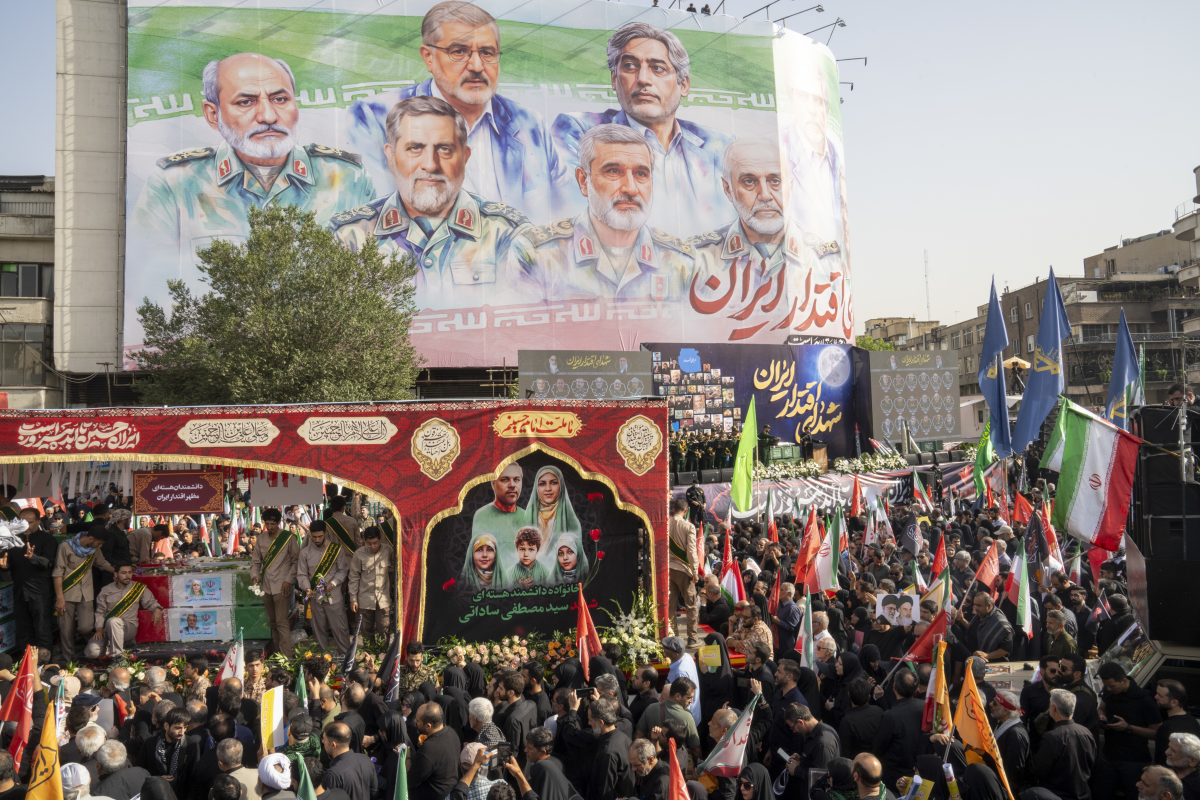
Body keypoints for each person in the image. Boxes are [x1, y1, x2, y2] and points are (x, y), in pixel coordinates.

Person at [127, 53, 376, 346]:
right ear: (212, 114)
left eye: (280, 99)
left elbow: (376, 281)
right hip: (216, 356)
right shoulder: (175, 183)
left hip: (322, 352)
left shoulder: (347, 178)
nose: (268, 116)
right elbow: (147, 287)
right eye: (246, 102)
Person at [345, 1, 565, 221]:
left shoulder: (530, 124)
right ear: (428, 57)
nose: (477, 66)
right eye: (459, 51)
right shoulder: (373, 119)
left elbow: (563, 210)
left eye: (487, 52)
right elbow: (370, 217)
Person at [332, 95, 532, 311]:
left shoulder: (507, 233)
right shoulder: (347, 237)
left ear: (465, 157)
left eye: (445, 149)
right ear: (391, 156)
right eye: (415, 148)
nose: (430, 164)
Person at [551, 22, 733, 235]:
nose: (643, 79)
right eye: (630, 66)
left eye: (657, 68)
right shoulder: (580, 131)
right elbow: (573, 210)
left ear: (683, 85)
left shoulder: (720, 146)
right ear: (614, 80)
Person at [512, 124, 696, 305]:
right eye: (613, 171)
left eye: (641, 174)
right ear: (583, 181)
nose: (631, 188)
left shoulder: (682, 262)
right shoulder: (537, 253)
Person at [688, 139, 827, 338]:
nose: (765, 195)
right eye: (749, 181)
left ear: (790, 187)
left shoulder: (825, 261)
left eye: (775, 181)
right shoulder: (698, 259)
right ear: (728, 189)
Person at [1095, 662, 1162, 800]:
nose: (1108, 689)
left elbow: (1157, 733)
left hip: (1134, 760)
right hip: (1109, 756)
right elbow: (1101, 708)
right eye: (1106, 686)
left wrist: (1128, 727)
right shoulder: (1109, 691)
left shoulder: (1145, 700)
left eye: (1112, 686)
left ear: (1124, 680)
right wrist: (1102, 717)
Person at [52, 525, 114, 661]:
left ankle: (94, 648)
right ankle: (69, 660)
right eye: (99, 543)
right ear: (91, 538)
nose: (100, 546)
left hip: (86, 593)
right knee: (66, 629)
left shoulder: (94, 549)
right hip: (67, 594)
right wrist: (59, 598)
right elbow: (57, 573)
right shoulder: (65, 547)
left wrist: (117, 572)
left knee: (86, 627)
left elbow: (102, 563)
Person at [3, 505, 58, 653]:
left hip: (40, 593)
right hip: (19, 593)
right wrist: (4, 566)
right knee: (23, 632)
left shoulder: (47, 540)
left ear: (38, 522)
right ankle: (26, 663)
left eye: (30, 522)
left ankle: (46, 662)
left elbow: (48, 563)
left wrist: (33, 558)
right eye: (22, 522)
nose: (25, 526)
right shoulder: (14, 540)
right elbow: (9, 563)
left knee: (42, 631)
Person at [1024, 689, 1096, 800]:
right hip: (1083, 794)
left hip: (1057, 794)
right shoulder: (1086, 732)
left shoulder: (1052, 737)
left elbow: (1038, 770)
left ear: (1053, 708)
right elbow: (1091, 762)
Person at [294, 520, 351, 654]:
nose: (317, 540)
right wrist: (307, 588)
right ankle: (324, 660)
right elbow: (302, 574)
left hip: (334, 598)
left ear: (326, 533)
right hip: (315, 598)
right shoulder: (305, 553)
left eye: (320, 536)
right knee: (319, 631)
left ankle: (346, 659)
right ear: (310, 535)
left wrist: (333, 583)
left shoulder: (336, 550)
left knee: (340, 630)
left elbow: (343, 571)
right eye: (314, 537)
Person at [84, 562, 163, 658]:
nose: (127, 576)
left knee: (113, 621)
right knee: (92, 652)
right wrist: (99, 629)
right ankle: (119, 645)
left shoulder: (138, 588)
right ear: (116, 574)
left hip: (128, 628)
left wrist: (157, 609)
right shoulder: (106, 590)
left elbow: (151, 602)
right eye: (123, 573)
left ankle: (117, 657)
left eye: (129, 572)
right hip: (107, 628)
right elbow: (100, 612)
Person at [250, 508, 299, 656]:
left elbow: (296, 562)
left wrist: (288, 580)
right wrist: (255, 575)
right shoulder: (261, 539)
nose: (270, 527)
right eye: (267, 524)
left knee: (282, 622)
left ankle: (287, 658)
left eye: (273, 524)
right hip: (266, 586)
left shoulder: (288, 538)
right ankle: (278, 655)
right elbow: (255, 561)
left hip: (282, 586)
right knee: (272, 622)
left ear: (278, 523)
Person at [871, 669, 923, 791]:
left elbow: (878, 748)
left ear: (894, 687)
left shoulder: (890, 717)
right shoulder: (925, 707)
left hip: (893, 779)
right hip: (918, 775)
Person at [470, 465, 527, 570]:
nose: (512, 485)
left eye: (516, 479)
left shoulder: (528, 517)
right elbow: (480, 559)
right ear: (493, 484)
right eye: (505, 480)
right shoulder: (482, 516)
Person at [348, 526, 393, 645]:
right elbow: (353, 577)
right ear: (364, 541)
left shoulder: (388, 550)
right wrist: (353, 598)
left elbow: (394, 568)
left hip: (383, 599)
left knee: (384, 629)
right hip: (365, 599)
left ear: (380, 539)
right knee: (366, 630)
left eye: (375, 543)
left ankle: (384, 654)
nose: (372, 546)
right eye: (369, 544)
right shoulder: (359, 554)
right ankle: (369, 653)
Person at [408, 704, 459, 800]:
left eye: (418, 721)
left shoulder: (428, 751)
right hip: (449, 791)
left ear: (428, 726)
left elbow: (409, 781)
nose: (415, 721)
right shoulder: (452, 732)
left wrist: (407, 757)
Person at [141, 706, 202, 784]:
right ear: (166, 726)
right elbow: (141, 771)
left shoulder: (191, 745)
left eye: (185, 728)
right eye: (178, 728)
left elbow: (194, 777)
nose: (182, 732)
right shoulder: (150, 744)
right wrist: (157, 780)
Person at [667, 498, 699, 646]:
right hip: (684, 569)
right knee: (691, 604)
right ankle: (692, 638)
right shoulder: (689, 526)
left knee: (670, 606)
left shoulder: (665, 524)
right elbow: (691, 550)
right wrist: (695, 570)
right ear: (686, 511)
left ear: (674, 509)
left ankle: (673, 637)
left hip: (668, 569)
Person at [321, 722, 377, 800]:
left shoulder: (332, 775)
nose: (323, 741)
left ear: (333, 744)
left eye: (324, 739)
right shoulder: (366, 759)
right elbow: (374, 792)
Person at [990, 690, 1030, 790]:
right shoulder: (1001, 725)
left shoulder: (1015, 734)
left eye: (995, 703)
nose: (990, 704)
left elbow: (1014, 772)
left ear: (1005, 711)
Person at [1154, 681, 1200, 766]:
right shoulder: (1193, 722)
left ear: (1174, 703)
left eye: (1160, 695)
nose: (1156, 697)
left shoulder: (1167, 728)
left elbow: (1162, 762)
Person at [836, 677, 882, 758]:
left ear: (848, 695)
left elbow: (844, 753)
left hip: (857, 762)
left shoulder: (847, 721)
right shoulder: (879, 711)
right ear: (869, 697)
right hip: (878, 761)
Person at [660, 637, 702, 724]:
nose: (664, 648)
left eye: (667, 648)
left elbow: (684, 700)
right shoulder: (686, 656)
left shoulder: (681, 673)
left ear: (675, 654)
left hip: (683, 721)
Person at [966, 592, 1013, 662]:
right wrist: (962, 619)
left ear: (989, 606)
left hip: (991, 665)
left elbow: (1007, 648)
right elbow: (973, 629)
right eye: (974, 604)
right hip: (974, 661)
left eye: (979, 605)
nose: (975, 608)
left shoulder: (1000, 623)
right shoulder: (979, 615)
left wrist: (987, 655)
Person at [1164, 733, 1200, 800]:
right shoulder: (1164, 775)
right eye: (1169, 747)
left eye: (1173, 751)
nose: (1167, 752)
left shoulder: (1197, 787)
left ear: (1192, 761)